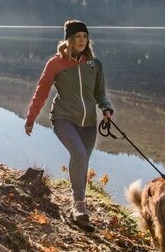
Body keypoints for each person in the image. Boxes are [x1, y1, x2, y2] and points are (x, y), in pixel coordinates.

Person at [25, 20, 113, 227]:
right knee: (79, 154)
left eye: (85, 36)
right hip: (63, 118)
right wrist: (31, 117)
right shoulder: (56, 63)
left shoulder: (94, 64)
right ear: (69, 40)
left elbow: (100, 93)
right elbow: (41, 92)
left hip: (89, 122)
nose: (82, 40)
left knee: (83, 160)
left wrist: (106, 108)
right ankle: (79, 206)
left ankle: (78, 201)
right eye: (77, 36)